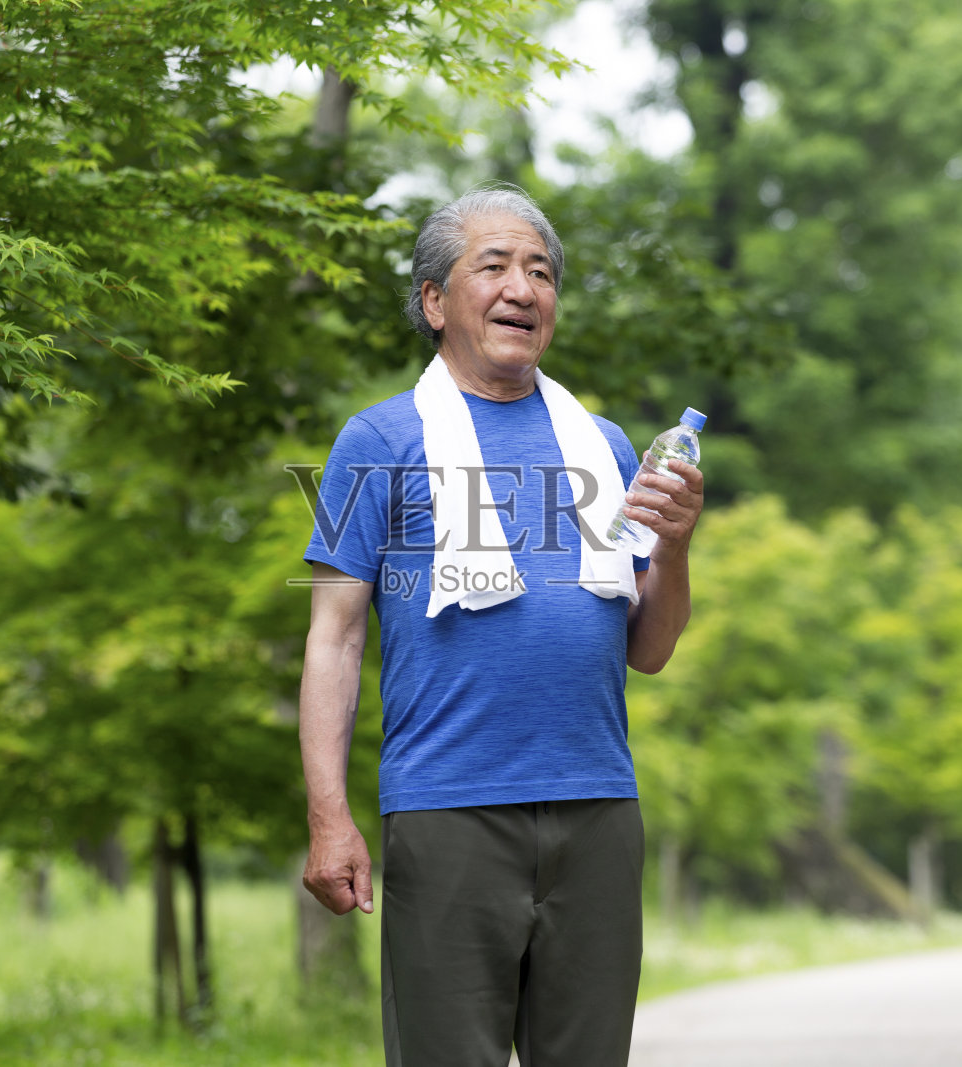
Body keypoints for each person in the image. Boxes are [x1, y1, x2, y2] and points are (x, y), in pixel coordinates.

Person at [299, 184, 702, 1067]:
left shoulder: (600, 443)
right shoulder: (379, 441)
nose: (524, 287)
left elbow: (652, 646)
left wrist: (671, 548)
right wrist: (329, 816)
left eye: (542, 271)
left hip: (597, 806)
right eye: (495, 266)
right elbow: (334, 636)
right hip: (447, 809)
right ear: (435, 301)